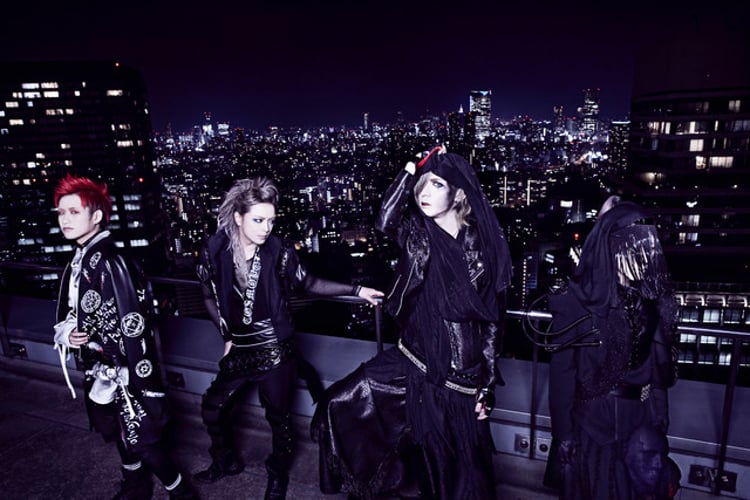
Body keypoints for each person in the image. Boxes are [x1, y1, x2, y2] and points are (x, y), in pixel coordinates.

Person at [312, 148, 513, 499]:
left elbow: (493, 322)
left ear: (458, 194)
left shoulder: (482, 247)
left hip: (458, 376)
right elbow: (385, 220)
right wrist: (409, 169)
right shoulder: (417, 234)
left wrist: (488, 386)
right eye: (422, 184)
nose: (424, 193)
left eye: (436, 184)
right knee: (340, 402)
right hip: (412, 358)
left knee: (455, 470)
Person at [193, 176, 383, 500]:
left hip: (275, 348)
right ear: (238, 217)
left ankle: (277, 475)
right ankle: (225, 461)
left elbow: (308, 283)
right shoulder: (214, 249)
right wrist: (226, 334)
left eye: (270, 220)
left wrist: (357, 290)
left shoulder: (278, 250)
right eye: (258, 220)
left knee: (279, 422)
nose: (266, 228)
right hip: (240, 346)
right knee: (213, 409)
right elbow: (208, 295)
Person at [52, 174, 197, 499]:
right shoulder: (80, 259)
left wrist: (136, 376)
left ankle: (181, 493)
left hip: (126, 371)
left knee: (143, 440)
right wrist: (68, 333)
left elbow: (135, 324)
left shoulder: (111, 261)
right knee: (118, 431)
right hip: (99, 369)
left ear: (97, 216)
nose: (64, 219)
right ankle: (136, 486)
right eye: (61, 212)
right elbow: (71, 310)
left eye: (74, 212)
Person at [547, 195, 679, 500]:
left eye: (648, 248)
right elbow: (562, 372)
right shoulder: (579, 299)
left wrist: (659, 416)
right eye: (635, 248)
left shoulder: (652, 301)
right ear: (613, 247)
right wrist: (564, 434)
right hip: (593, 423)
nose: (644, 257)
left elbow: (657, 368)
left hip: (639, 421)